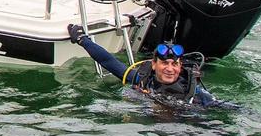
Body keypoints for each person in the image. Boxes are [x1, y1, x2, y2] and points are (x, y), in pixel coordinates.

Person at [68, 25, 229, 107]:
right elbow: (109, 62)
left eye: (174, 64)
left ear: (180, 67)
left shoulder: (194, 93)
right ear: (153, 65)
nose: (170, 68)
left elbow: (225, 107)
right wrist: (82, 40)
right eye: (164, 63)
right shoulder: (142, 80)